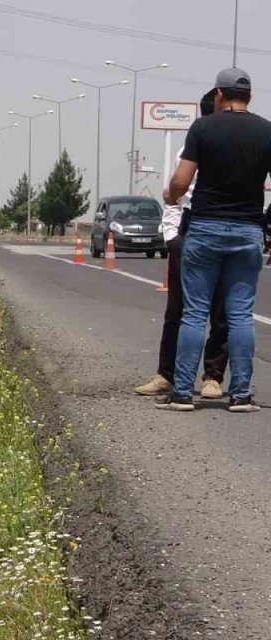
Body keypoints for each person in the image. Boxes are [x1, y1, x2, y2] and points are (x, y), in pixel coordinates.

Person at [158, 68, 271, 412]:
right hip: (248, 230)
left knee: (194, 313)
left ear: (219, 95)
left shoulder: (203, 127)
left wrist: (172, 196)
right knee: (240, 314)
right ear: (249, 96)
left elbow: (181, 179)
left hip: (205, 228)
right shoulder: (267, 131)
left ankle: (181, 394)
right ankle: (240, 395)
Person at [135, 89, 230, 399]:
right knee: (177, 308)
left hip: (222, 231)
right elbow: (174, 193)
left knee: (220, 310)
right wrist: (172, 238)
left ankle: (212, 377)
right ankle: (167, 374)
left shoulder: (235, 148)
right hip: (188, 234)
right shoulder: (191, 149)